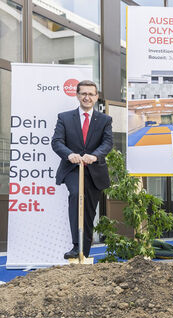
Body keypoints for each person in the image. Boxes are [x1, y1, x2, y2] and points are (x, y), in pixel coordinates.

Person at [51, 80, 113, 259]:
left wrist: (95, 156)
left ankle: (84, 251)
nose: (87, 97)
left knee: (89, 211)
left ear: (96, 97)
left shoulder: (104, 120)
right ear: (77, 95)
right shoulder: (64, 117)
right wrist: (69, 154)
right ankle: (75, 245)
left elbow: (107, 143)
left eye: (91, 94)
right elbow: (57, 142)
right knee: (76, 195)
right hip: (72, 168)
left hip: (94, 171)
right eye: (83, 94)